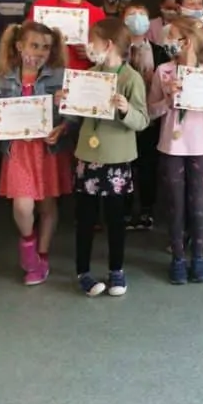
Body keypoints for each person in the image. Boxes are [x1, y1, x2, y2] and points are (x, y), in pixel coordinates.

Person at [0, 21, 72, 285]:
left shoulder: (59, 77)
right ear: (19, 46)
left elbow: (73, 115)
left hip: (47, 150)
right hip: (18, 152)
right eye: (34, 45)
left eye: (46, 47)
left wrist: (63, 127)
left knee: (47, 205)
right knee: (23, 206)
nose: (40, 52)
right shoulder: (3, 77)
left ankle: (42, 256)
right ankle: (28, 244)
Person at [150, 17, 203, 284]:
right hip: (170, 147)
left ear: (186, 41)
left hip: (199, 148)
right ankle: (177, 258)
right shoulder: (163, 70)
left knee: (198, 204)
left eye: (172, 37)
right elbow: (151, 111)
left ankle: (198, 257)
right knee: (175, 204)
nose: (168, 43)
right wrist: (167, 99)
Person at [70, 19, 150, 297]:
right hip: (88, 155)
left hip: (117, 158)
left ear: (109, 44)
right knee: (85, 218)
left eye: (93, 41)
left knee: (116, 219)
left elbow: (142, 120)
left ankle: (117, 270)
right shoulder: (88, 75)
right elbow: (77, 113)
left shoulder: (131, 78)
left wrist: (126, 109)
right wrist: (65, 100)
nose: (89, 47)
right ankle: (83, 271)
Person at [122, 3, 169, 230]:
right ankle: (124, 209)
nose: (137, 18)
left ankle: (147, 209)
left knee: (148, 165)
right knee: (125, 164)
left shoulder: (159, 51)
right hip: (123, 116)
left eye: (142, 14)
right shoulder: (117, 50)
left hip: (151, 117)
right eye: (132, 14)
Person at [27, 0, 105, 71]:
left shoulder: (97, 13)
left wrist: (92, 54)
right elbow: (27, 41)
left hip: (81, 75)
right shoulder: (40, 6)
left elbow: (105, 54)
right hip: (45, 73)